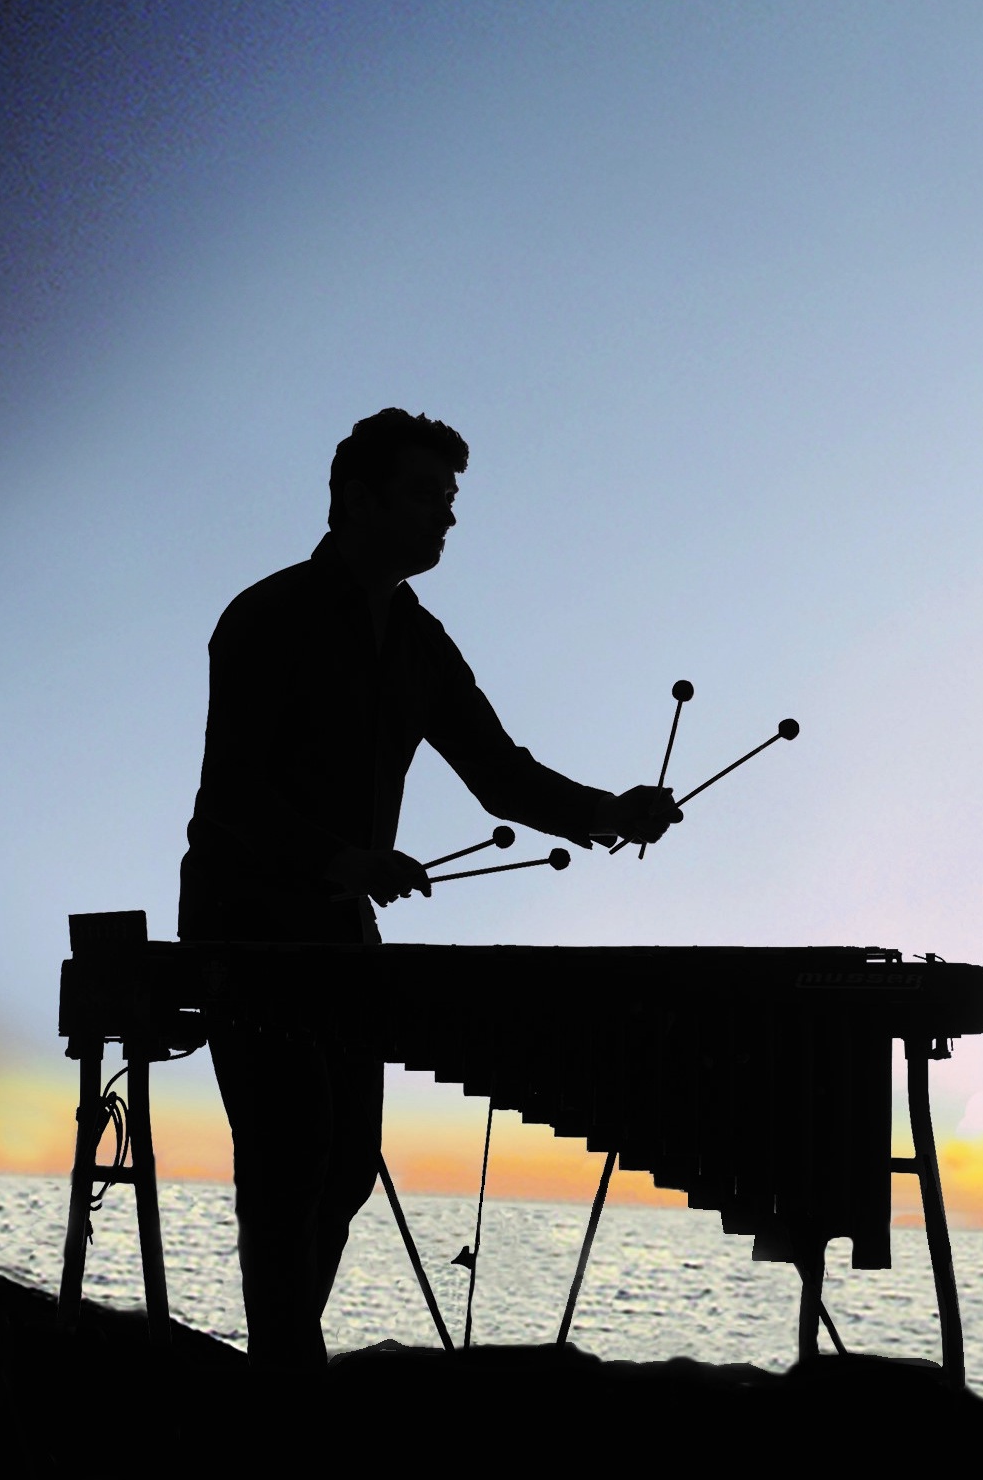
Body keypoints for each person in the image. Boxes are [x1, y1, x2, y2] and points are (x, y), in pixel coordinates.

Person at [183, 409, 678, 1373]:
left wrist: (610, 812)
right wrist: (342, 860)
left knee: (345, 1167)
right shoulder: (265, 615)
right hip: (246, 924)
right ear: (354, 499)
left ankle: (281, 1367)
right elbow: (231, 793)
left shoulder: (420, 642)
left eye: (450, 501)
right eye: (425, 497)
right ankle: (284, 1379)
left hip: (338, 929)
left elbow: (501, 773)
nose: (445, 518)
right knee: (292, 1156)